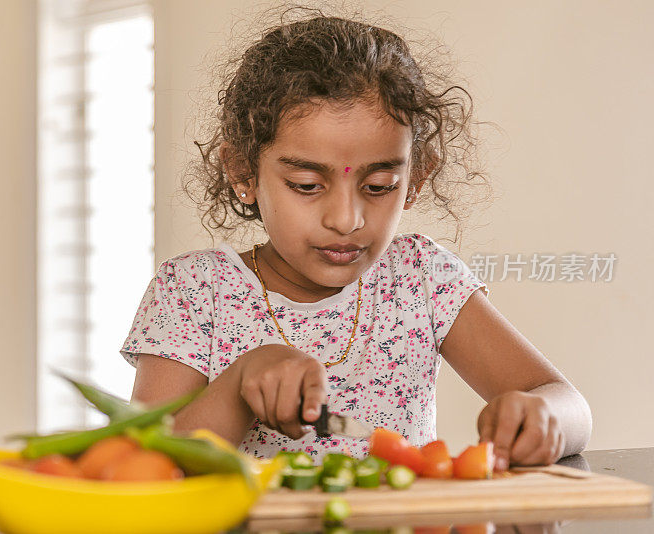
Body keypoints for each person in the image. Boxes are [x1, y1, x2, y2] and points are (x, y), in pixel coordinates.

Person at [120, 7, 592, 471]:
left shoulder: (421, 278)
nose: (346, 220)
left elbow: (567, 403)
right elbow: (146, 465)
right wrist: (239, 382)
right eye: (307, 185)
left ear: (415, 179)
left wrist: (542, 417)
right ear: (243, 171)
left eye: (378, 186)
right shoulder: (194, 291)